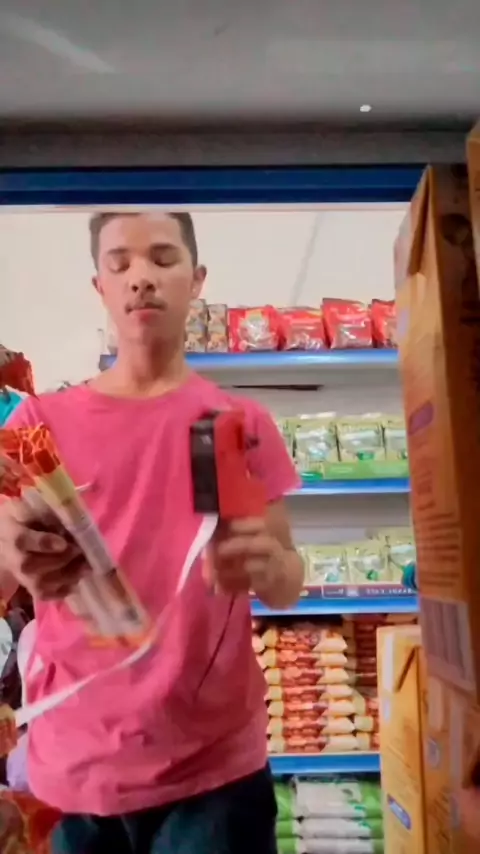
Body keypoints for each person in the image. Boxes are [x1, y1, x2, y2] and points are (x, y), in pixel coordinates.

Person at [0, 211, 304, 854]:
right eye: (121, 264)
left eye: (163, 259)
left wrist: (270, 567)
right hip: (76, 767)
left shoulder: (241, 421)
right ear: (99, 287)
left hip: (213, 768)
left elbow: (287, 582)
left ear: (197, 280)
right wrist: (15, 551)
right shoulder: (35, 426)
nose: (141, 277)